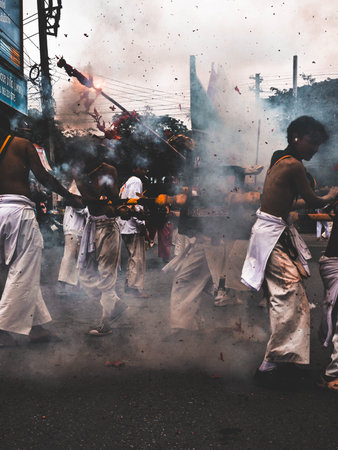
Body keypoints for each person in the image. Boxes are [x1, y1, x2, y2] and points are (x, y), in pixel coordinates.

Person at [241, 116, 338, 387]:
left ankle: (278, 360)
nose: (315, 149)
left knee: (288, 296)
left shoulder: (279, 158)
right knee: (289, 294)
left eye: (319, 144)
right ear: (296, 136)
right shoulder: (293, 165)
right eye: (313, 142)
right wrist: (332, 195)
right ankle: (273, 364)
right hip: (271, 235)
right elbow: (314, 200)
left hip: (273, 233)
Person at [0, 113, 82, 346]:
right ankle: (2, 326)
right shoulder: (21, 144)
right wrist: (70, 196)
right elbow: (44, 177)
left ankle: (36, 330)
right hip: (18, 213)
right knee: (24, 269)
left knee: (25, 271)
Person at [73, 157, 129, 337]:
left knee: (106, 274)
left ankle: (106, 321)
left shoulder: (109, 170)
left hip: (108, 227)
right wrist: (102, 203)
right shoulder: (78, 170)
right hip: (92, 226)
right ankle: (116, 304)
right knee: (85, 274)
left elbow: (114, 201)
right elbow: (90, 200)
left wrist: (120, 208)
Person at [119, 164, 148, 298]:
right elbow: (135, 204)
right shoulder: (136, 181)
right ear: (135, 169)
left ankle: (129, 284)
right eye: (142, 168)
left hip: (125, 225)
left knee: (133, 257)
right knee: (137, 258)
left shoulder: (126, 183)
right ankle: (134, 288)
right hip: (132, 226)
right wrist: (141, 224)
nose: (144, 171)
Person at [317, 205, 338, 391]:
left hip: (331, 262)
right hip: (335, 263)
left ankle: (332, 374)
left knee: (334, 315)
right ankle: (333, 375)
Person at [57, 180, 87, 292]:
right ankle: (62, 284)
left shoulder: (75, 195)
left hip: (76, 231)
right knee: (69, 257)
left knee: (76, 258)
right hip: (73, 230)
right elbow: (81, 209)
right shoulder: (75, 199)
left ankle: (76, 284)